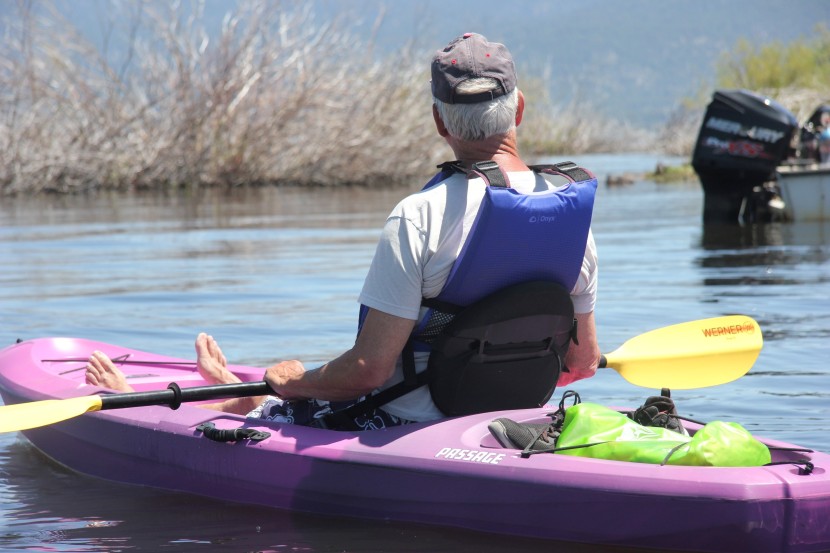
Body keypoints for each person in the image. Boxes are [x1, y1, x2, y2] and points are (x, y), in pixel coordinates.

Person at [85, 33, 601, 430]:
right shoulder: (572, 220)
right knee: (288, 386)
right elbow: (578, 365)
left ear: (440, 124)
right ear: (521, 109)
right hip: (505, 426)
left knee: (287, 387)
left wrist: (294, 383)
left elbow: (366, 373)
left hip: (401, 426)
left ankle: (206, 401)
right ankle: (243, 392)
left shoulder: (419, 216)